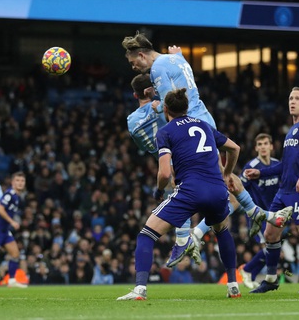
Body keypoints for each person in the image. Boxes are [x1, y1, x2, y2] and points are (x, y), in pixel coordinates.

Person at [122, 34, 287, 268]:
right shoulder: (176, 59)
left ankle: (183, 239)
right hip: (205, 120)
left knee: (180, 179)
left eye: (133, 62)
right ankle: (257, 213)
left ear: (141, 54)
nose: (134, 67)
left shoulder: (157, 69)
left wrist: (163, 118)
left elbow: (171, 104)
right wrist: (177, 55)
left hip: (190, 126)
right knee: (221, 177)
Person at [117, 88, 247, 300]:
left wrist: (159, 190)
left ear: (166, 109)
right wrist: (228, 173)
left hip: (190, 190)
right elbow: (235, 148)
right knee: (222, 231)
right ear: (186, 108)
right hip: (216, 189)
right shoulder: (204, 125)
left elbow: (165, 173)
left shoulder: (166, 132)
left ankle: (140, 289)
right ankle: (233, 285)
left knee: (146, 234)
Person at [244, 87, 299, 294]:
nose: (292, 101)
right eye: (290, 98)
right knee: (270, 233)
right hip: (283, 191)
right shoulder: (290, 131)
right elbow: (284, 166)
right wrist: (260, 174)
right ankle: (270, 279)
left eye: (297, 98)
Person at [238, 133, 281, 289]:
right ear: (256, 148)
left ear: (271, 146)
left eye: (265, 143)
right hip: (258, 214)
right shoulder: (251, 167)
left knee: (272, 247)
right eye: (260, 144)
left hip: (275, 213)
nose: (263, 146)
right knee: (269, 247)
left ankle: (251, 275)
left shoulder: (277, 165)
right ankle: (247, 269)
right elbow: (240, 189)